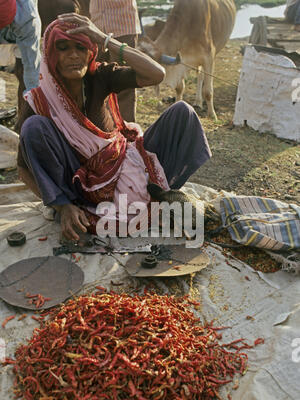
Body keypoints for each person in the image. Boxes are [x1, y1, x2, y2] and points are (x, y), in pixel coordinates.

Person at [17, 13, 212, 243]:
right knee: (33, 126)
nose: (73, 56)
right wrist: (61, 207)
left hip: (124, 163)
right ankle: (73, 207)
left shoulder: (100, 75)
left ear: (91, 51)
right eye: (63, 47)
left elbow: (156, 74)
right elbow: (24, 170)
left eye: (81, 47)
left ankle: (158, 191)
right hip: (83, 185)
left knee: (183, 113)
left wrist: (104, 38)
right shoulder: (41, 99)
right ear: (50, 53)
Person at [89, 0, 141, 122]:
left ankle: (127, 132)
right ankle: (102, 127)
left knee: (125, 83)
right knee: (97, 80)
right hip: (97, 27)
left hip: (122, 26)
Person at [0, 0, 41, 93]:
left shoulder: (27, 17)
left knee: (29, 69)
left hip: (23, 23)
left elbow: (32, 66)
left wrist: (33, 95)